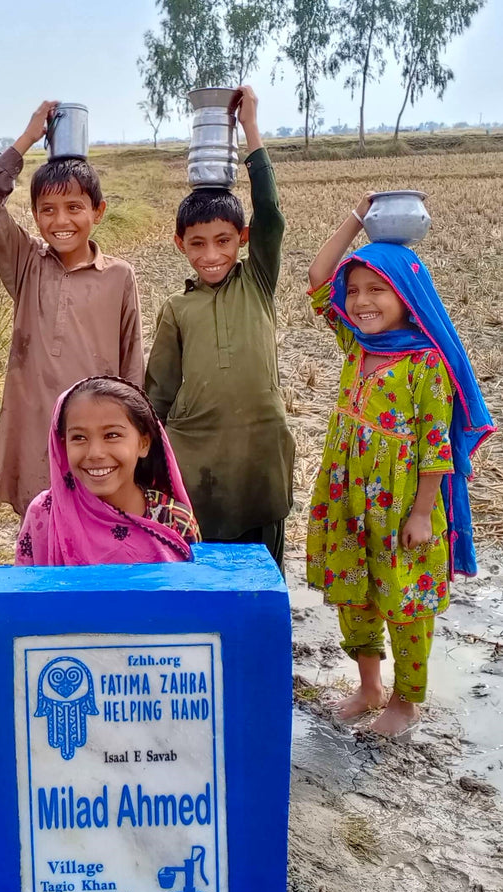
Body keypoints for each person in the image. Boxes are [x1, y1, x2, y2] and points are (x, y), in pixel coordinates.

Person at [306, 195, 494, 736]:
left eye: (377, 289)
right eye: (355, 290)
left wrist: (421, 514)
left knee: (405, 602)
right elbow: (318, 279)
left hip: (402, 506)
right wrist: (356, 217)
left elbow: (436, 447)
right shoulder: (355, 342)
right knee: (353, 592)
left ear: (407, 296)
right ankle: (368, 686)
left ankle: (406, 702)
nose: (362, 301)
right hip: (346, 497)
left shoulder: (425, 363)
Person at [144, 85, 294, 571]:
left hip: (261, 451)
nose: (211, 255)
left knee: (262, 573)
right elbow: (158, 394)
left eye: (224, 241)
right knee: (202, 570)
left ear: (242, 239)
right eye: (198, 243)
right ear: (180, 244)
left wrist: (250, 128)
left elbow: (271, 215)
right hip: (197, 458)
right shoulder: (176, 308)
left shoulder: (257, 281)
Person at [0, 102, 144, 517]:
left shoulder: (118, 276)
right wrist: (29, 138)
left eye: (74, 207)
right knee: (41, 525)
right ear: (34, 215)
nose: (60, 220)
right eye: (47, 210)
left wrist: (133, 437)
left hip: (97, 436)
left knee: (97, 527)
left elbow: (133, 364)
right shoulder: (27, 263)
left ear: (97, 212)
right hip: (36, 430)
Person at [16, 376, 199, 566]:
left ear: (143, 443)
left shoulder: (173, 519)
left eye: (112, 435)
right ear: (63, 445)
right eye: (79, 437)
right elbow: (25, 582)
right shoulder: (45, 513)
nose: (95, 453)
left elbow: (194, 582)